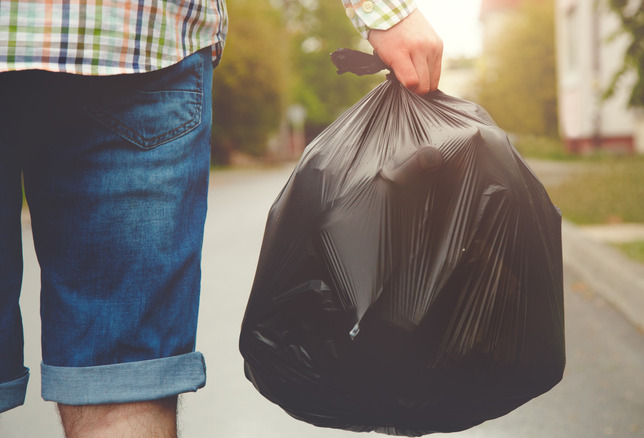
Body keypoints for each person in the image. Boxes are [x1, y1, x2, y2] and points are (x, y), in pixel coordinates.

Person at [0, 0, 441, 436]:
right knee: (124, 382)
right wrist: (386, 12)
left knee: (128, 377)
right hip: (135, 43)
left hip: (127, 50)